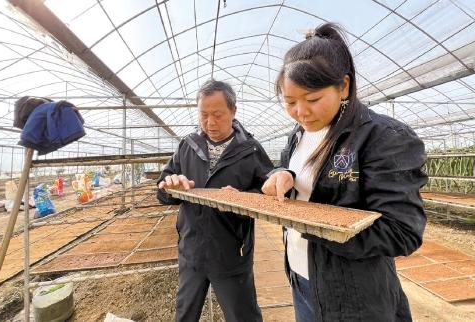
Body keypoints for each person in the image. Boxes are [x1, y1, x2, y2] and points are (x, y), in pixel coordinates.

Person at [261, 23, 428, 322]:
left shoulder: (383, 137)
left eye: (312, 99)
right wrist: (281, 173)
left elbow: (402, 232)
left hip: (352, 296)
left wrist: (314, 222)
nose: (301, 112)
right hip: (301, 277)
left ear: (344, 86)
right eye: (290, 102)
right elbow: (289, 167)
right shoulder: (298, 135)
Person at [157, 79, 273, 322]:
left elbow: (268, 195)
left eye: (218, 115)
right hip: (191, 252)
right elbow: (163, 187)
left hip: (231, 253)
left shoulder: (250, 150)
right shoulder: (187, 146)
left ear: (233, 111)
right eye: (203, 115)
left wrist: (244, 199)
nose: (210, 122)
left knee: (243, 316)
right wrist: (170, 186)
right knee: (184, 314)